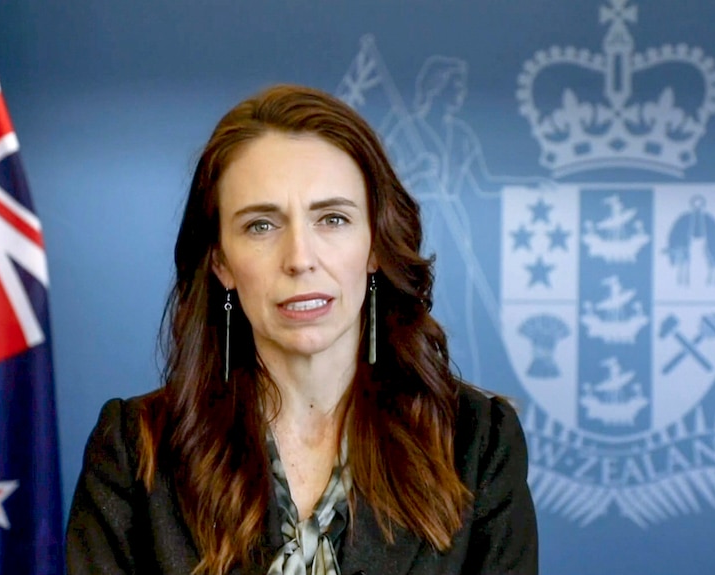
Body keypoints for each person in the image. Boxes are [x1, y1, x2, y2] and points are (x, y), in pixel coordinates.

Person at [66, 84, 538, 575]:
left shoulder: (479, 444)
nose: (300, 259)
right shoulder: (132, 450)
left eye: (332, 219)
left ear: (375, 246)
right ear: (221, 262)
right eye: (261, 226)